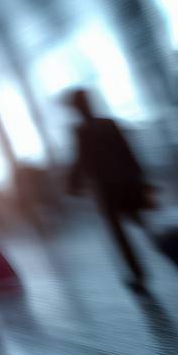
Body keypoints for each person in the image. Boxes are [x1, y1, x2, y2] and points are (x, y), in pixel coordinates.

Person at [66, 86, 157, 291]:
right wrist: (141, 179)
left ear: (76, 108)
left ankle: (138, 275)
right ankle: (172, 250)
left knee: (120, 235)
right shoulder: (109, 123)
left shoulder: (82, 131)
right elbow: (128, 152)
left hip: (106, 190)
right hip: (127, 183)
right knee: (142, 223)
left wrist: (73, 184)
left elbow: (81, 160)